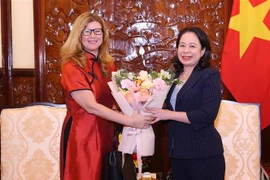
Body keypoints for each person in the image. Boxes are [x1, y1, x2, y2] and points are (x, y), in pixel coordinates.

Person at [59, 12, 153, 180]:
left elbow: (116, 102)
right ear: (78, 35)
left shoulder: (108, 66)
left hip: (107, 132)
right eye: (86, 31)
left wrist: (140, 106)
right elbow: (90, 105)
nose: (93, 36)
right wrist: (130, 121)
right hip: (82, 135)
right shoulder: (72, 66)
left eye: (97, 31)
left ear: (103, 35)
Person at [145, 27, 225, 180]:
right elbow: (173, 105)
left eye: (192, 46)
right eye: (182, 45)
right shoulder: (172, 75)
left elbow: (207, 115)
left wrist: (168, 114)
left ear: (202, 51)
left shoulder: (209, 76)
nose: (186, 50)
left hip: (203, 154)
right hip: (177, 152)